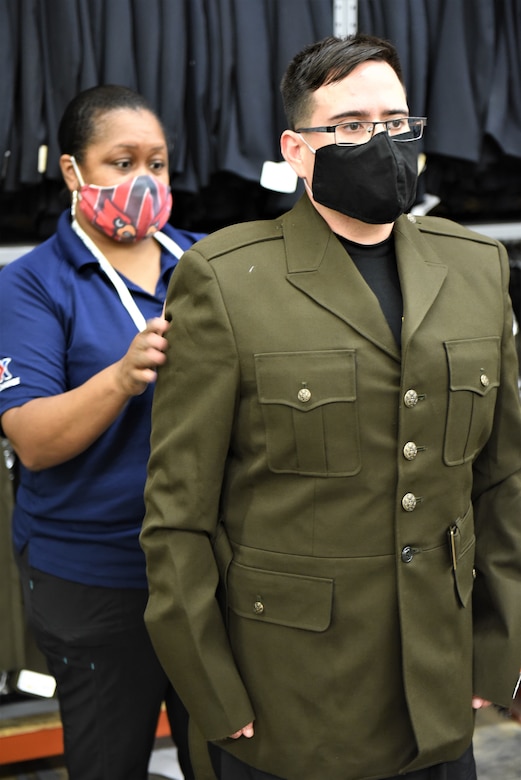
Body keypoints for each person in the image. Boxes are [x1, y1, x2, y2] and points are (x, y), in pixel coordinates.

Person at [140, 35, 521, 780]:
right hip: (290, 701)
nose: (379, 143)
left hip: (438, 698)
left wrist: (497, 653)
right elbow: (176, 519)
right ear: (296, 147)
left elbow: (503, 482)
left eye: (395, 121)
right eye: (349, 125)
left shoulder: (476, 268)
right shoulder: (226, 280)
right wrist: (214, 699)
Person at [0, 84, 205, 780]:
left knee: (222, 755)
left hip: (208, 570)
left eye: (159, 163)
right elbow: (31, 437)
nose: (144, 181)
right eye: (121, 163)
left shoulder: (206, 267)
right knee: (109, 760)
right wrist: (119, 378)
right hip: (95, 580)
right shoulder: (32, 285)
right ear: (71, 172)